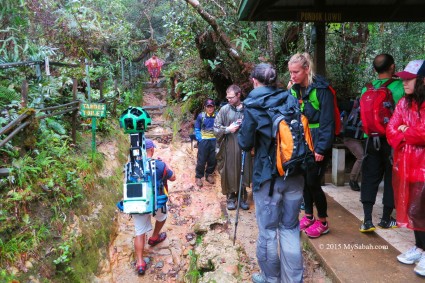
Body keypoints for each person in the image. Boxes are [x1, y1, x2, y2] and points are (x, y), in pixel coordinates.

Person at [238, 63, 304, 283]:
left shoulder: (252, 103)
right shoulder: (290, 98)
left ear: (255, 81)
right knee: (290, 227)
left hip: (268, 179)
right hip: (294, 172)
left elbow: (246, 143)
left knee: (268, 230)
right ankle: (293, 280)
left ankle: (271, 278)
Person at [288, 52, 334, 238]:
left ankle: (323, 221)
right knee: (303, 181)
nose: (292, 76)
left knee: (313, 182)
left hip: (317, 139)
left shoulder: (321, 90)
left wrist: (321, 148)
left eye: (296, 72)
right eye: (290, 72)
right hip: (301, 139)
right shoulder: (294, 89)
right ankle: (308, 216)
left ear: (307, 70)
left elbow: (327, 121)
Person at [386, 59, 425, 277]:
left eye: (409, 79)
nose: (405, 82)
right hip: (407, 165)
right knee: (413, 209)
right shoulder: (404, 102)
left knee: (423, 209)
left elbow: (423, 133)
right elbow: (391, 128)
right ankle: (420, 248)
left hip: (423, 167)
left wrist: (405, 130)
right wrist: (407, 130)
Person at [359, 54, 405, 233]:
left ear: (374, 69)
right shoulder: (400, 87)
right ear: (392, 67)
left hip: (370, 139)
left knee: (369, 177)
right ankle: (386, 219)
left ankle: (367, 220)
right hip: (392, 140)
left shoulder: (366, 89)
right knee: (390, 177)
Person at [132, 139, 176, 275]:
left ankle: (140, 263)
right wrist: (166, 164)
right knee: (162, 216)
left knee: (139, 232)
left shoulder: (132, 165)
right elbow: (173, 177)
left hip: (137, 202)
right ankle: (155, 236)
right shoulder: (160, 164)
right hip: (156, 202)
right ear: (151, 150)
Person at [214, 85, 252, 210]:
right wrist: (227, 129)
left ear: (238, 95)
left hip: (243, 146)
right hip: (229, 146)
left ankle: (242, 197)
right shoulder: (224, 110)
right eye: (227, 97)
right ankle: (230, 197)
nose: (228, 99)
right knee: (229, 171)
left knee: (243, 170)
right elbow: (215, 128)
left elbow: (254, 126)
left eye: (231, 97)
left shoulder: (247, 109)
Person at [341, 98, 364, 191]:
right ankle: (353, 180)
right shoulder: (354, 104)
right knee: (362, 157)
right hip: (350, 137)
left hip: (359, 137)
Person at [194, 99, 217, 187]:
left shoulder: (217, 116)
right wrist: (200, 139)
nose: (210, 108)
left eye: (211, 106)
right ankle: (198, 176)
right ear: (205, 107)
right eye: (208, 106)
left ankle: (209, 174)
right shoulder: (201, 116)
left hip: (214, 140)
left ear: (214, 107)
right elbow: (197, 129)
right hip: (204, 140)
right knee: (201, 159)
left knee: (213, 159)